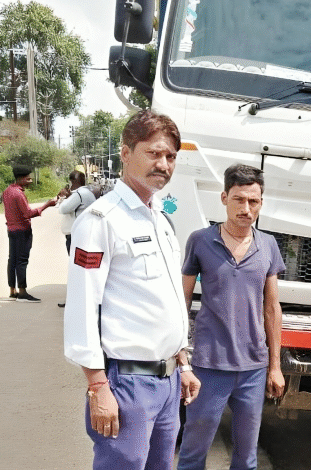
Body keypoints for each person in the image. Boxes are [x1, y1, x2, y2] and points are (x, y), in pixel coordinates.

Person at [63, 110, 201, 470]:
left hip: (168, 382)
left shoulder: (161, 220)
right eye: (153, 153)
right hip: (128, 384)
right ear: (125, 154)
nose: (164, 164)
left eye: (171, 156)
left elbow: (167, 298)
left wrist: (183, 363)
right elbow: (82, 306)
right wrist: (97, 386)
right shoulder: (101, 221)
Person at [177, 164, 286, 470]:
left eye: (253, 201)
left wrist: (275, 366)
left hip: (253, 368)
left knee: (247, 458)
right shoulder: (201, 240)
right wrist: (181, 357)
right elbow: (182, 300)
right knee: (193, 453)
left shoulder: (268, 245)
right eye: (239, 199)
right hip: (209, 365)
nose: (246, 209)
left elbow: (272, 308)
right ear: (224, 198)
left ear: (261, 203)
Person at [2, 165, 57, 302]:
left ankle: (12, 291)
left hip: (11, 230)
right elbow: (27, 213)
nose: (30, 181)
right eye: (28, 179)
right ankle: (22, 292)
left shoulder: (7, 191)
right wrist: (47, 205)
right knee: (22, 260)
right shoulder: (18, 194)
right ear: (21, 178)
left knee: (12, 259)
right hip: (22, 231)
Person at [56, 170, 97, 307]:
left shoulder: (79, 194)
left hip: (76, 236)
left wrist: (64, 197)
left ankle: (74, 299)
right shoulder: (87, 193)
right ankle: (81, 298)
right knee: (81, 268)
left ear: (72, 182)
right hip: (84, 234)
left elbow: (62, 209)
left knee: (75, 268)